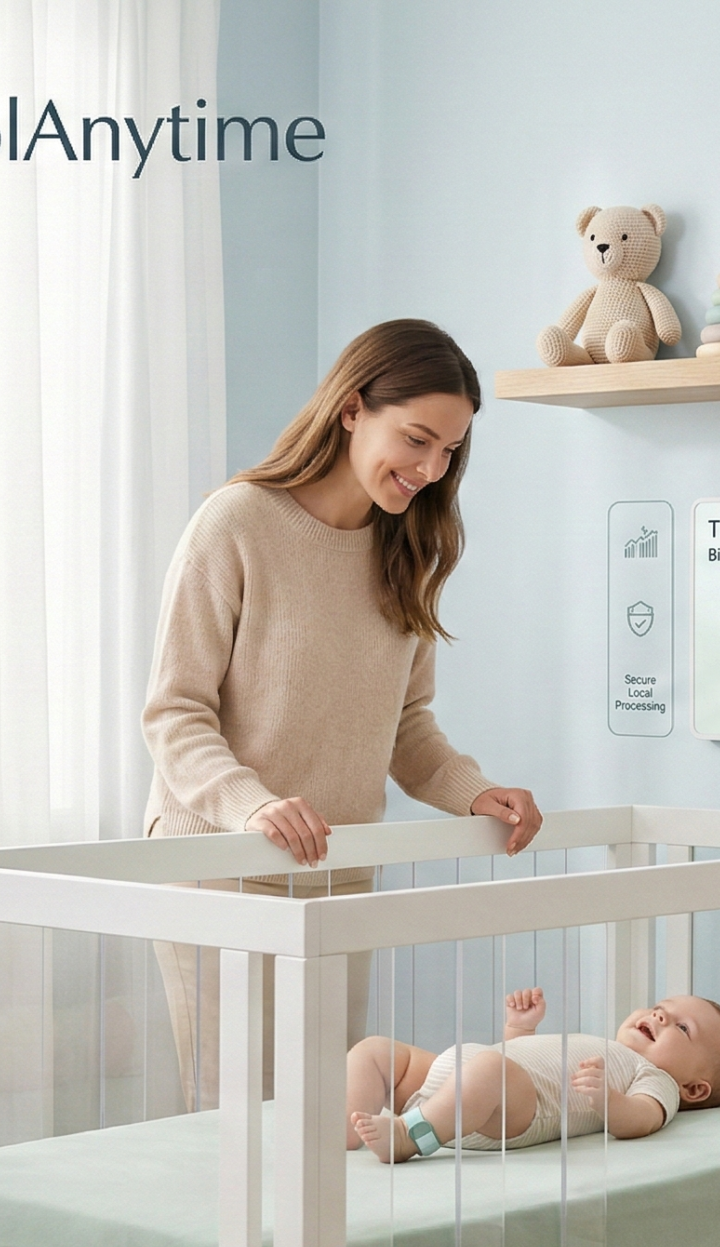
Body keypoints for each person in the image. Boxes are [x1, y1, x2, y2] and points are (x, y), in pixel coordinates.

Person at [140, 318, 542, 1111]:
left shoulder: (407, 552)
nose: (431, 469)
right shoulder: (239, 523)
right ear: (352, 407)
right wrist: (253, 805)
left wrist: (474, 792)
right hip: (222, 865)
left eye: (450, 451)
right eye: (417, 439)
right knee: (238, 1112)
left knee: (328, 1109)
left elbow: (406, 727)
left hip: (337, 869)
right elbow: (174, 712)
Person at [347, 989, 720, 1161]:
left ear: (693, 1088)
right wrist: (520, 1030)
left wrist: (609, 1101)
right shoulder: (598, 1046)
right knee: (375, 1050)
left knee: (490, 1070)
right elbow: (522, 1058)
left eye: (682, 1028)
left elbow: (642, 1119)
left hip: (510, 1114)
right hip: (465, 1080)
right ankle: (342, 1133)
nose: (660, 1015)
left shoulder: (655, 1077)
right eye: (661, 1006)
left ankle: (409, 1137)